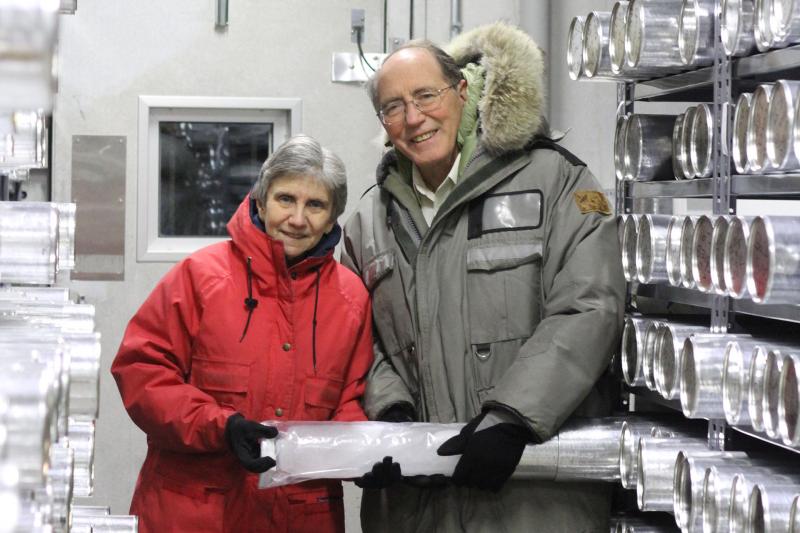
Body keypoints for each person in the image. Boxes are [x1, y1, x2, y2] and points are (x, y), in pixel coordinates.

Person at [342, 22, 626, 532]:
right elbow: (359, 339)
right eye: (392, 107)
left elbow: (589, 305)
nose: (413, 118)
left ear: (463, 91)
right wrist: (390, 416)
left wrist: (512, 415)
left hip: (533, 498)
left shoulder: (555, 179)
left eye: (426, 95)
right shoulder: (369, 221)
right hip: (418, 505)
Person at [111, 134, 374, 533]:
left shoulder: (351, 297)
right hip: (192, 513)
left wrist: (365, 453)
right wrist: (221, 426)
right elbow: (141, 373)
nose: (298, 219)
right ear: (262, 199)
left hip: (301, 517)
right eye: (286, 199)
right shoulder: (201, 277)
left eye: (315, 205)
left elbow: (353, 401)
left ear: (332, 216)